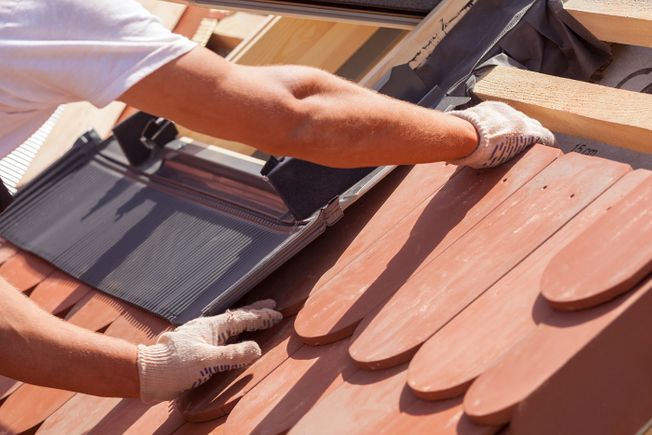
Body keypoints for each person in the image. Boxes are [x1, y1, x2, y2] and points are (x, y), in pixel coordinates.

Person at [0, 0, 555, 404]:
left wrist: (141, 370)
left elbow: (258, 92)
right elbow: (290, 116)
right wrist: (468, 135)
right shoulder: (43, 15)